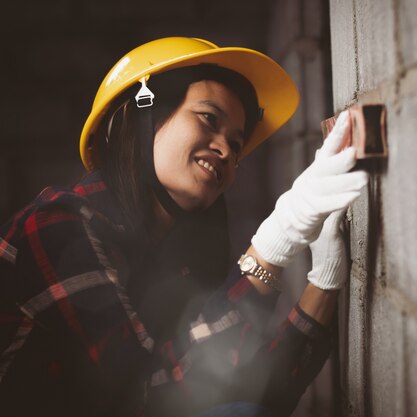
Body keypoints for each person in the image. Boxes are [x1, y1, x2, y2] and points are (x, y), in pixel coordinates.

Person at [0, 37, 367, 417]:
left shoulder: (172, 262)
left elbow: (243, 392)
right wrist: (275, 243)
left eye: (236, 144)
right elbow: (147, 397)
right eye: (209, 118)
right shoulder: (57, 228)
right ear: (141, 116)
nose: (226, 150)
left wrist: (324, 283)